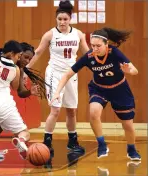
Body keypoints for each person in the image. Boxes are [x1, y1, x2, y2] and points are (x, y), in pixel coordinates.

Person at [51, 27, 141, 161]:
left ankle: (131, 149)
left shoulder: (114, 53)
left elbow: (135, 70)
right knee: (93, 112)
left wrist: (129, 70)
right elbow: (67, 74)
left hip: (119, 89)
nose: (95, 49)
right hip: (99, 89)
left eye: (98, 46)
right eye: (92, 45)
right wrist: (57, 92)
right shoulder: (89, 57)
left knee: (127, 124)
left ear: (106, 44)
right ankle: (101, 144)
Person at [26, 0, 89, 155]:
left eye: (65, 19)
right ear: (56, 19)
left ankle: (72, 141)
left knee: (71, 111)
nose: (62, 22)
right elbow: (38, 52)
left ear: (70, 19)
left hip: (71, 75)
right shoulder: (50, 34)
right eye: (59, 19)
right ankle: (47, 141)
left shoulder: (78, 34)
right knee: (55, 110)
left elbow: (88, 55)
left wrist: (101, 67)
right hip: (54, 73)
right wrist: (25, 69)